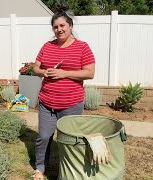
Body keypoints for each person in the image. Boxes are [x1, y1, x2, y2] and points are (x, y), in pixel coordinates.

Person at [31, 6, 96, 180]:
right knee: (44, 137)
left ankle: (67, 171)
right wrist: (43, 72)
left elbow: (90, 72)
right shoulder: (47, 46)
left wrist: (64, 73)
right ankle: (40, 168)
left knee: (69, 140)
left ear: (70, 26)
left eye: (62, 26)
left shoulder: (82, 47)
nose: (59, 29)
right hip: (47, 102)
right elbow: (35, 67)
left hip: (71, 105)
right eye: (55, 27)